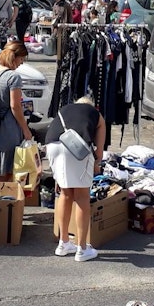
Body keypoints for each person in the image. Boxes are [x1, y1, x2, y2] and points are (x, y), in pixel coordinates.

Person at [47, 96, 106, 263]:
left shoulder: (64, 110)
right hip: (75, 149)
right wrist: (97, 162)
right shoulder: (94, 113)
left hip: (52, 146)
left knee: (65, 193)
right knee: (82, 196)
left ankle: (63, 243)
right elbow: (99, 150)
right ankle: (82, 248)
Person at [0, 40, 34, 180]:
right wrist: (25, 129)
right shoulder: (13, 77)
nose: (22, 63)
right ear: (15, 57)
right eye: (22, 59)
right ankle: (8, 200)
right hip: (8, 127)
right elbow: (15, 106)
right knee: (10, 170)